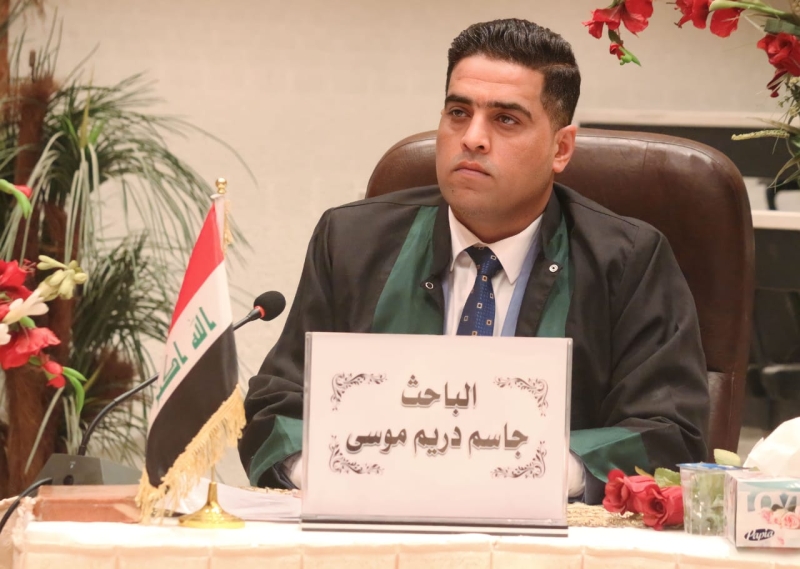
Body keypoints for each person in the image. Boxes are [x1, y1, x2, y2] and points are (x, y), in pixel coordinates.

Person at [239, 18, 709, 504]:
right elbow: (276, 406)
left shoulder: (628, 260)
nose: (473, 138)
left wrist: (526, 473)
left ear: (561, 148)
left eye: (506, 120)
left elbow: (670, 433)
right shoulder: (353, 242)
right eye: (458, 113)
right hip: (372, 521)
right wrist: (332, 471)